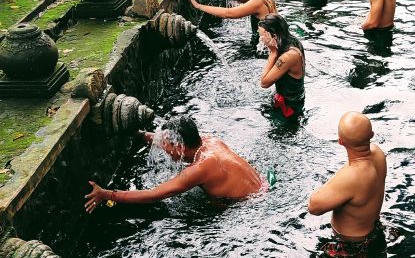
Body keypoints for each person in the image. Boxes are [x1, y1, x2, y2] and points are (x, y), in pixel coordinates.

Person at [85, 115, 263, 211]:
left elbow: (153, 195)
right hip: (263, 186)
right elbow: (161, 139)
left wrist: (106, 194)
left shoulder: (197, 170)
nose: (163, 147)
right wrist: (137, 134)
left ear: (180, 147)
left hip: (247, 205)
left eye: (168, 145)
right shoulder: (209, 141)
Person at [308, 112, 387, 258]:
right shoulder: (378, 154)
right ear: (371, 134)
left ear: (340, 142)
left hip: (351, 247)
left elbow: (314, 207)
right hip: (373, 230)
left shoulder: (352, 176)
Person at [185, 0, 277, 35]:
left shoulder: (257, 2)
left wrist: (198, 6)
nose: (237, 2)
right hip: (275, 35)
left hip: (269, 44)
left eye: (236, 0)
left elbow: (228, 13)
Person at [258, 14, 305, 118]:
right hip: (288, 98)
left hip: (290, 107)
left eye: (262, 36)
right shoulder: (290, 40)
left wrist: (273, 53)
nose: (261, 39)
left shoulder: (288, 56)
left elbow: (264, 83)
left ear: (273, 36)